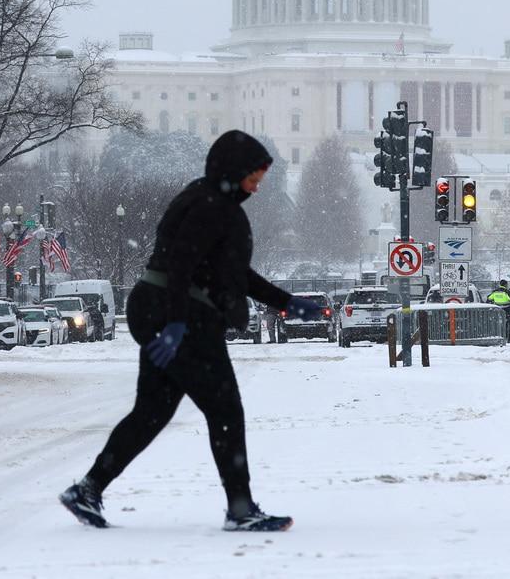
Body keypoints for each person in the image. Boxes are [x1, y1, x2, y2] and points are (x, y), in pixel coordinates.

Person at [60, 131, 322, 532]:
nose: (257, 186)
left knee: (151, 413)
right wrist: (177, 323)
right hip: (182, 316)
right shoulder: (211, 206)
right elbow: (181, 262)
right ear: (234, 171)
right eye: (254, 177)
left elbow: (234, 272)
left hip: (160, 308)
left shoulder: (207, 199)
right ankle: (240, 509)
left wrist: (286, 302)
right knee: (225, 410)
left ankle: (88, 489)